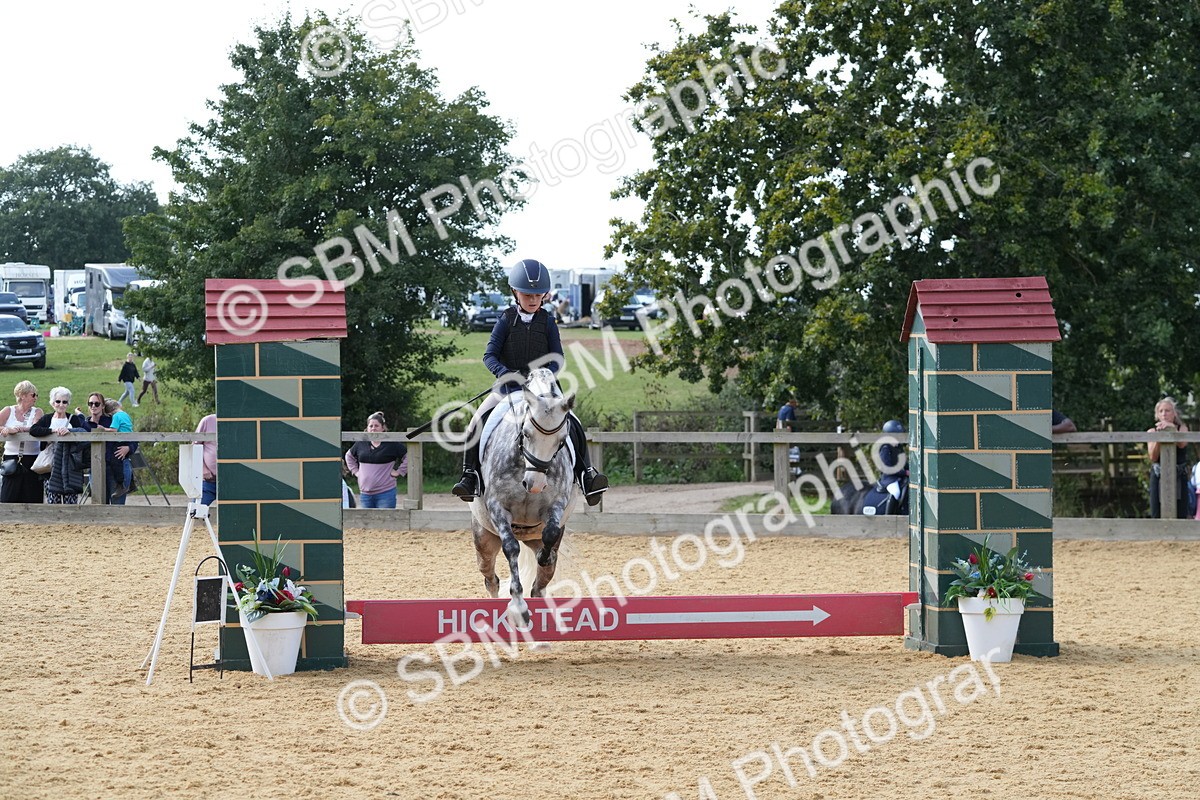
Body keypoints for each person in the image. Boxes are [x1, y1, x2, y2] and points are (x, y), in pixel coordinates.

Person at [452, 258, 608, 505]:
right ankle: (469, 475)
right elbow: (489, 356)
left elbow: (557, 358)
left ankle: (587, 475)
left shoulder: (548, 321)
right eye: (527, 295)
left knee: (574, 423)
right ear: (515, 292)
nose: (533, 300)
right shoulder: (506, 320)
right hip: (508, 388)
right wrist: (505, 373)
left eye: (538, 295)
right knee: (477, 420)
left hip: (543, 390)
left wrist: (543, 374)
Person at [30, 387, 89, 504]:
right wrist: (52, 431)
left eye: (64, 402)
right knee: (53, 502)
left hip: (71, 467)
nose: (61, 405)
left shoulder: (74, 419)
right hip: (50, 467)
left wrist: (70, 431)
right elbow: (34, 430)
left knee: (71, 503)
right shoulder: (47, 419)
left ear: (68, 403)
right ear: (52, 402)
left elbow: (85, 433)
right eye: (58, 401)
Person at [345, 411, 407, 509]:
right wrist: (356, 471)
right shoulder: (361, 443)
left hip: (386, 493)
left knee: (385, 518)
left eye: (376, 426)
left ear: (383, 428)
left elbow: (409, 456)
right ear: (367, 428)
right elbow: (349, 456)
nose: (373, 428)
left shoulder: (391, 443)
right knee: (366, 519)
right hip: (365, 494)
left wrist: (400, 471)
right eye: (371, 426)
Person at [0, 381, 45, 503]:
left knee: (32, 497)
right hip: (11, 458)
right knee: (8, 497)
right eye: (33, 395)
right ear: (23, 395)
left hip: (32, 459)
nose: (36, 398)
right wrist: (5, 429)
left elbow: (36, 427)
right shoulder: (8, 410)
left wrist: (19, 429)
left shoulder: (37, 411)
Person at [1147, 397, 1190, 519]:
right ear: (1157, 414)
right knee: (1156, 513)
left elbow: (1182, 444)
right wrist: (1160, 436)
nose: (1164, 414)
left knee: (1181, 513)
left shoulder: (1182, 428)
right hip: (1158, 475)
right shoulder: (1152, 432)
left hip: (1179, 475)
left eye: (1167, 410)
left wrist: (1172, 430)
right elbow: (1153, 457)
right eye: (1161, 411)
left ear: (1174, 413)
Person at [103, 398, 137, 503]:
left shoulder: (116, 416)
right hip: (127, 439)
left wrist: (103, 429)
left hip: (120, 441)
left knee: (116, 461)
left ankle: (121, 484)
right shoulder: (125, 415)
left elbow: (114, 430)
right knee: (119, 461)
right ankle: (130, 483)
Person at [195, 413, 217, 506]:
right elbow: (195, 446)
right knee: (196, 510)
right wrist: (203, 469)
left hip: (232, 481)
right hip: (209, 481)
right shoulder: (207, 421)